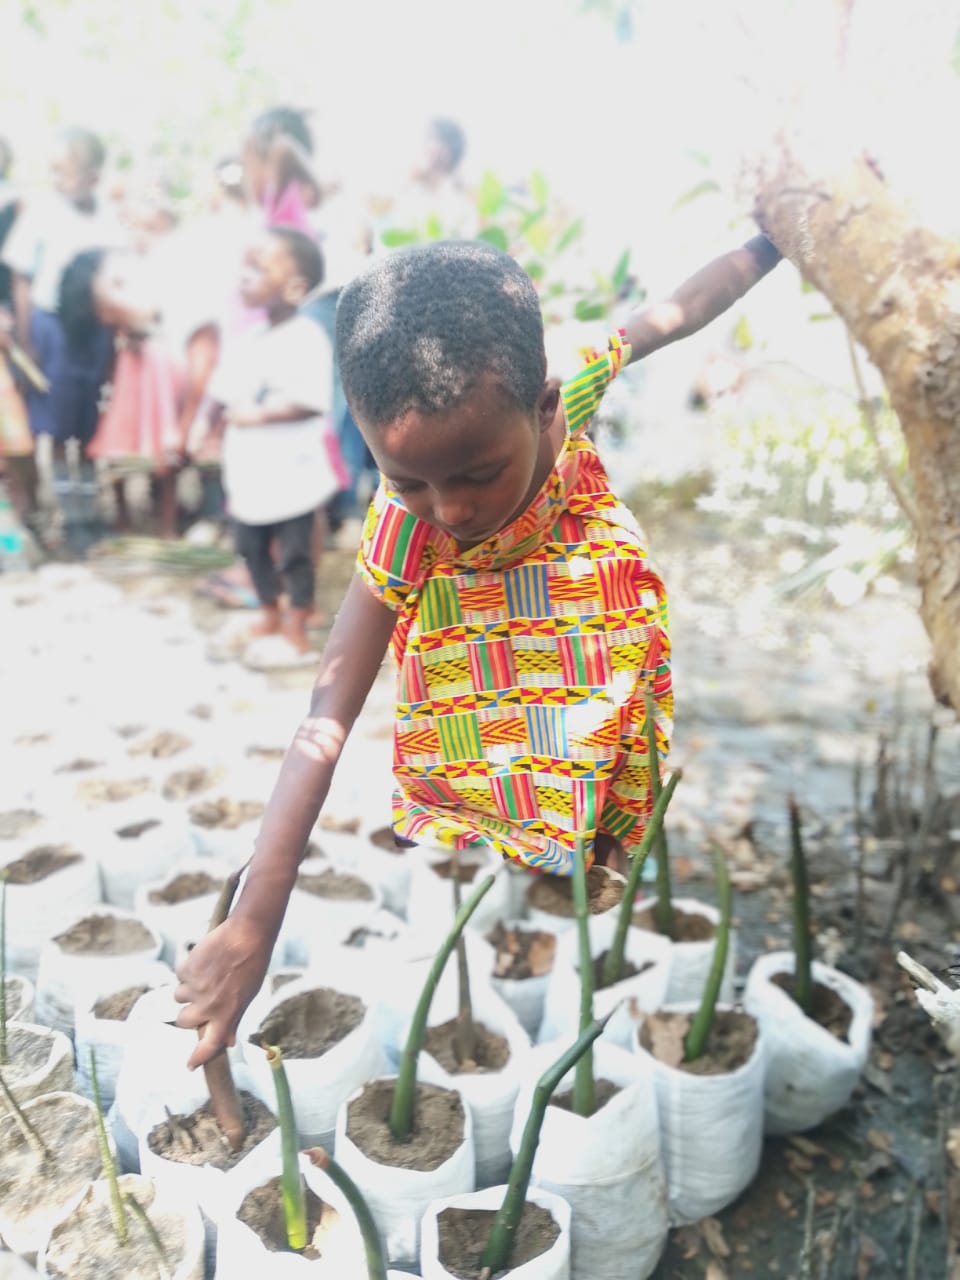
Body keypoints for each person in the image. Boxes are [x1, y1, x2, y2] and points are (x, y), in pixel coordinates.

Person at [175, 232, 781, 1067]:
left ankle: (596, 840)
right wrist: (256, 914)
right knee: (486, 745)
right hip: (478, 633)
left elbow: (680, 310)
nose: (448, 509)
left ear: (543, 408)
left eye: (475, 473)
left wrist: (773, 241)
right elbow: (329, 712)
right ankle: (513, 828)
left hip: (585, 606)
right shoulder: (407, 528)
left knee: (612, 734)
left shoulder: (571, 388)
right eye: (407, 480)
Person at [203, 226, 338, 666]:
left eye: (258, 268)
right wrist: (205, 431)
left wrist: (259, 415)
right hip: (249, 477)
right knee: (252, 550)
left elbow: (312, 402)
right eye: (245, 267)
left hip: (292, 476)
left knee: (296, 556)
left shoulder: (307, 337)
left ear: (296, 286)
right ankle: (267, 613)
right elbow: (221, 394)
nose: (246, 277)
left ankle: (296, 625)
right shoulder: (248, 339)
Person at [1, 128, 121, 554]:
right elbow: (20, 277)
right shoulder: (41, 213)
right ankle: (68, 517)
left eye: (68, 172)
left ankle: (90, 514)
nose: (60, 181)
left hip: (94, 329)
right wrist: (29, 337)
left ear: (92, 174)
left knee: (88, 428)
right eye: (54, 172)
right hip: (52, 328)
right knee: (55, 427)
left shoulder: (107, 214)